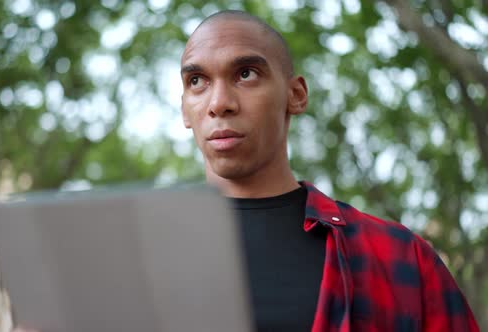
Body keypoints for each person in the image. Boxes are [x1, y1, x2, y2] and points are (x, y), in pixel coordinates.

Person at [179, 9, 479, 332]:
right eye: (197, 81)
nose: (219, 103)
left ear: (296, 95)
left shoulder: (402, 259)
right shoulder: (136, 259)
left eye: (246, 74)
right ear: (184, 109)